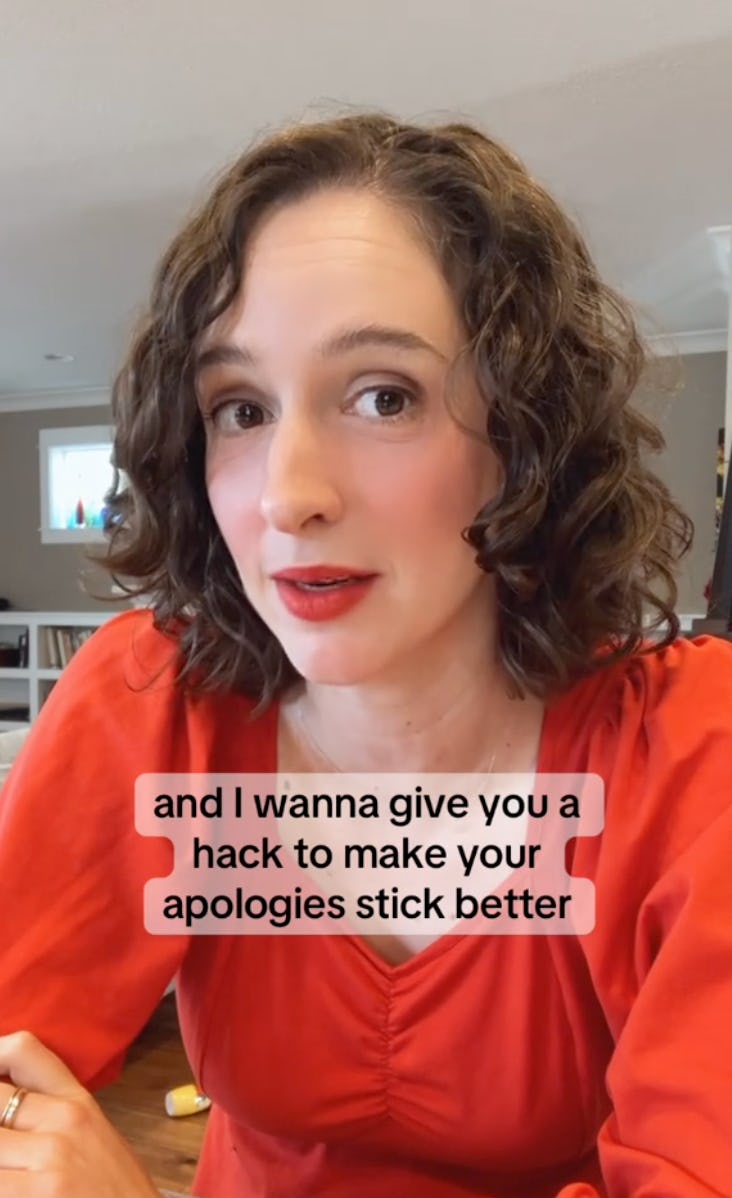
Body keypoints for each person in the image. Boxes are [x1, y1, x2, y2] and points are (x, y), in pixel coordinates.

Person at [1, 111, 731, 1198]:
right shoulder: (161, 704)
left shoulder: (689, 757)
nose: (290, 494)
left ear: (525, 440)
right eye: (239, 408)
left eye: (383, 396)